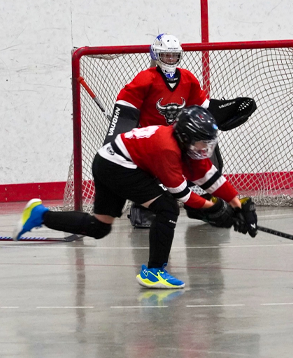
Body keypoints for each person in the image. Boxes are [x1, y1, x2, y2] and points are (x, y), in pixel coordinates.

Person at [13, 106, 258, 289]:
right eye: (201, 142)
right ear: (185, 137)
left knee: (99, 227)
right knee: (167, 207)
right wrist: (217, 209)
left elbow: (210, 177)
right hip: (117, 166)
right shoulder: (167, 149)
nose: (205, 149)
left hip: (110, 161)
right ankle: (153, 272)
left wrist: (239, 205)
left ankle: (40, 215)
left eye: (208, 143)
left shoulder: (185, 144)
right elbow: (182, 195)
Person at [108, 34, 256, 228]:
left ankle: (201, 207)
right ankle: (144, 207)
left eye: (174, 55)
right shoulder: (145, 79)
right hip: (152, 145)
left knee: (209, 158)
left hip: (179, 140)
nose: (170, 59)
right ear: (156, 55)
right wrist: (114, 141)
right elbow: (125, 113)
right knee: (150, 194)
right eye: (166, 55)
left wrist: (228, 108)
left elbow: (204, 108)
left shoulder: (187, 78)